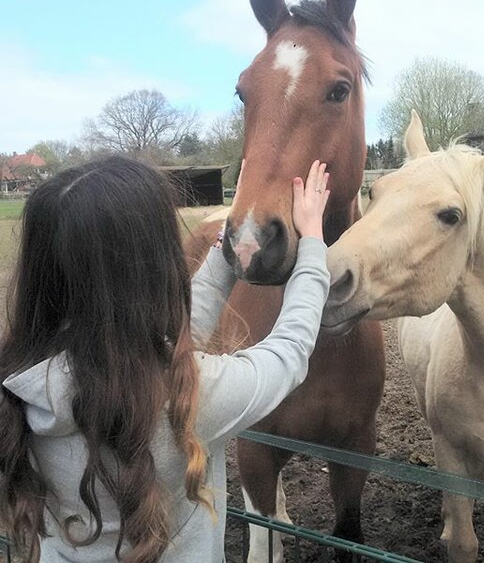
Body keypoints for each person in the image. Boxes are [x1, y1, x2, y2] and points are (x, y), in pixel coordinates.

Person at [0, 155, 331, 563]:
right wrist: (313, 242)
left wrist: (230, 238)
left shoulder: (17, 385)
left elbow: (169, 339)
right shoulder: (192, 399)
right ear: (157, 266)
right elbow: (290, 350)